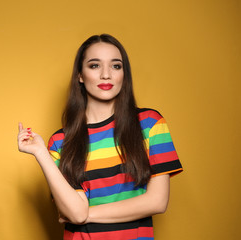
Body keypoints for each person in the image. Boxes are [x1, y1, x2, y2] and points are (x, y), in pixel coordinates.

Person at [17, 34, 183, 240]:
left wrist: (87, 215)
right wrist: (41, 153)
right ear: (80, 75)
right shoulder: (60, 142)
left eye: (116, 66)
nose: (106, 75)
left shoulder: (150, 124)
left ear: (124, 74)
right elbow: (75, 211)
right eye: (94, 66)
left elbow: (157, 201)